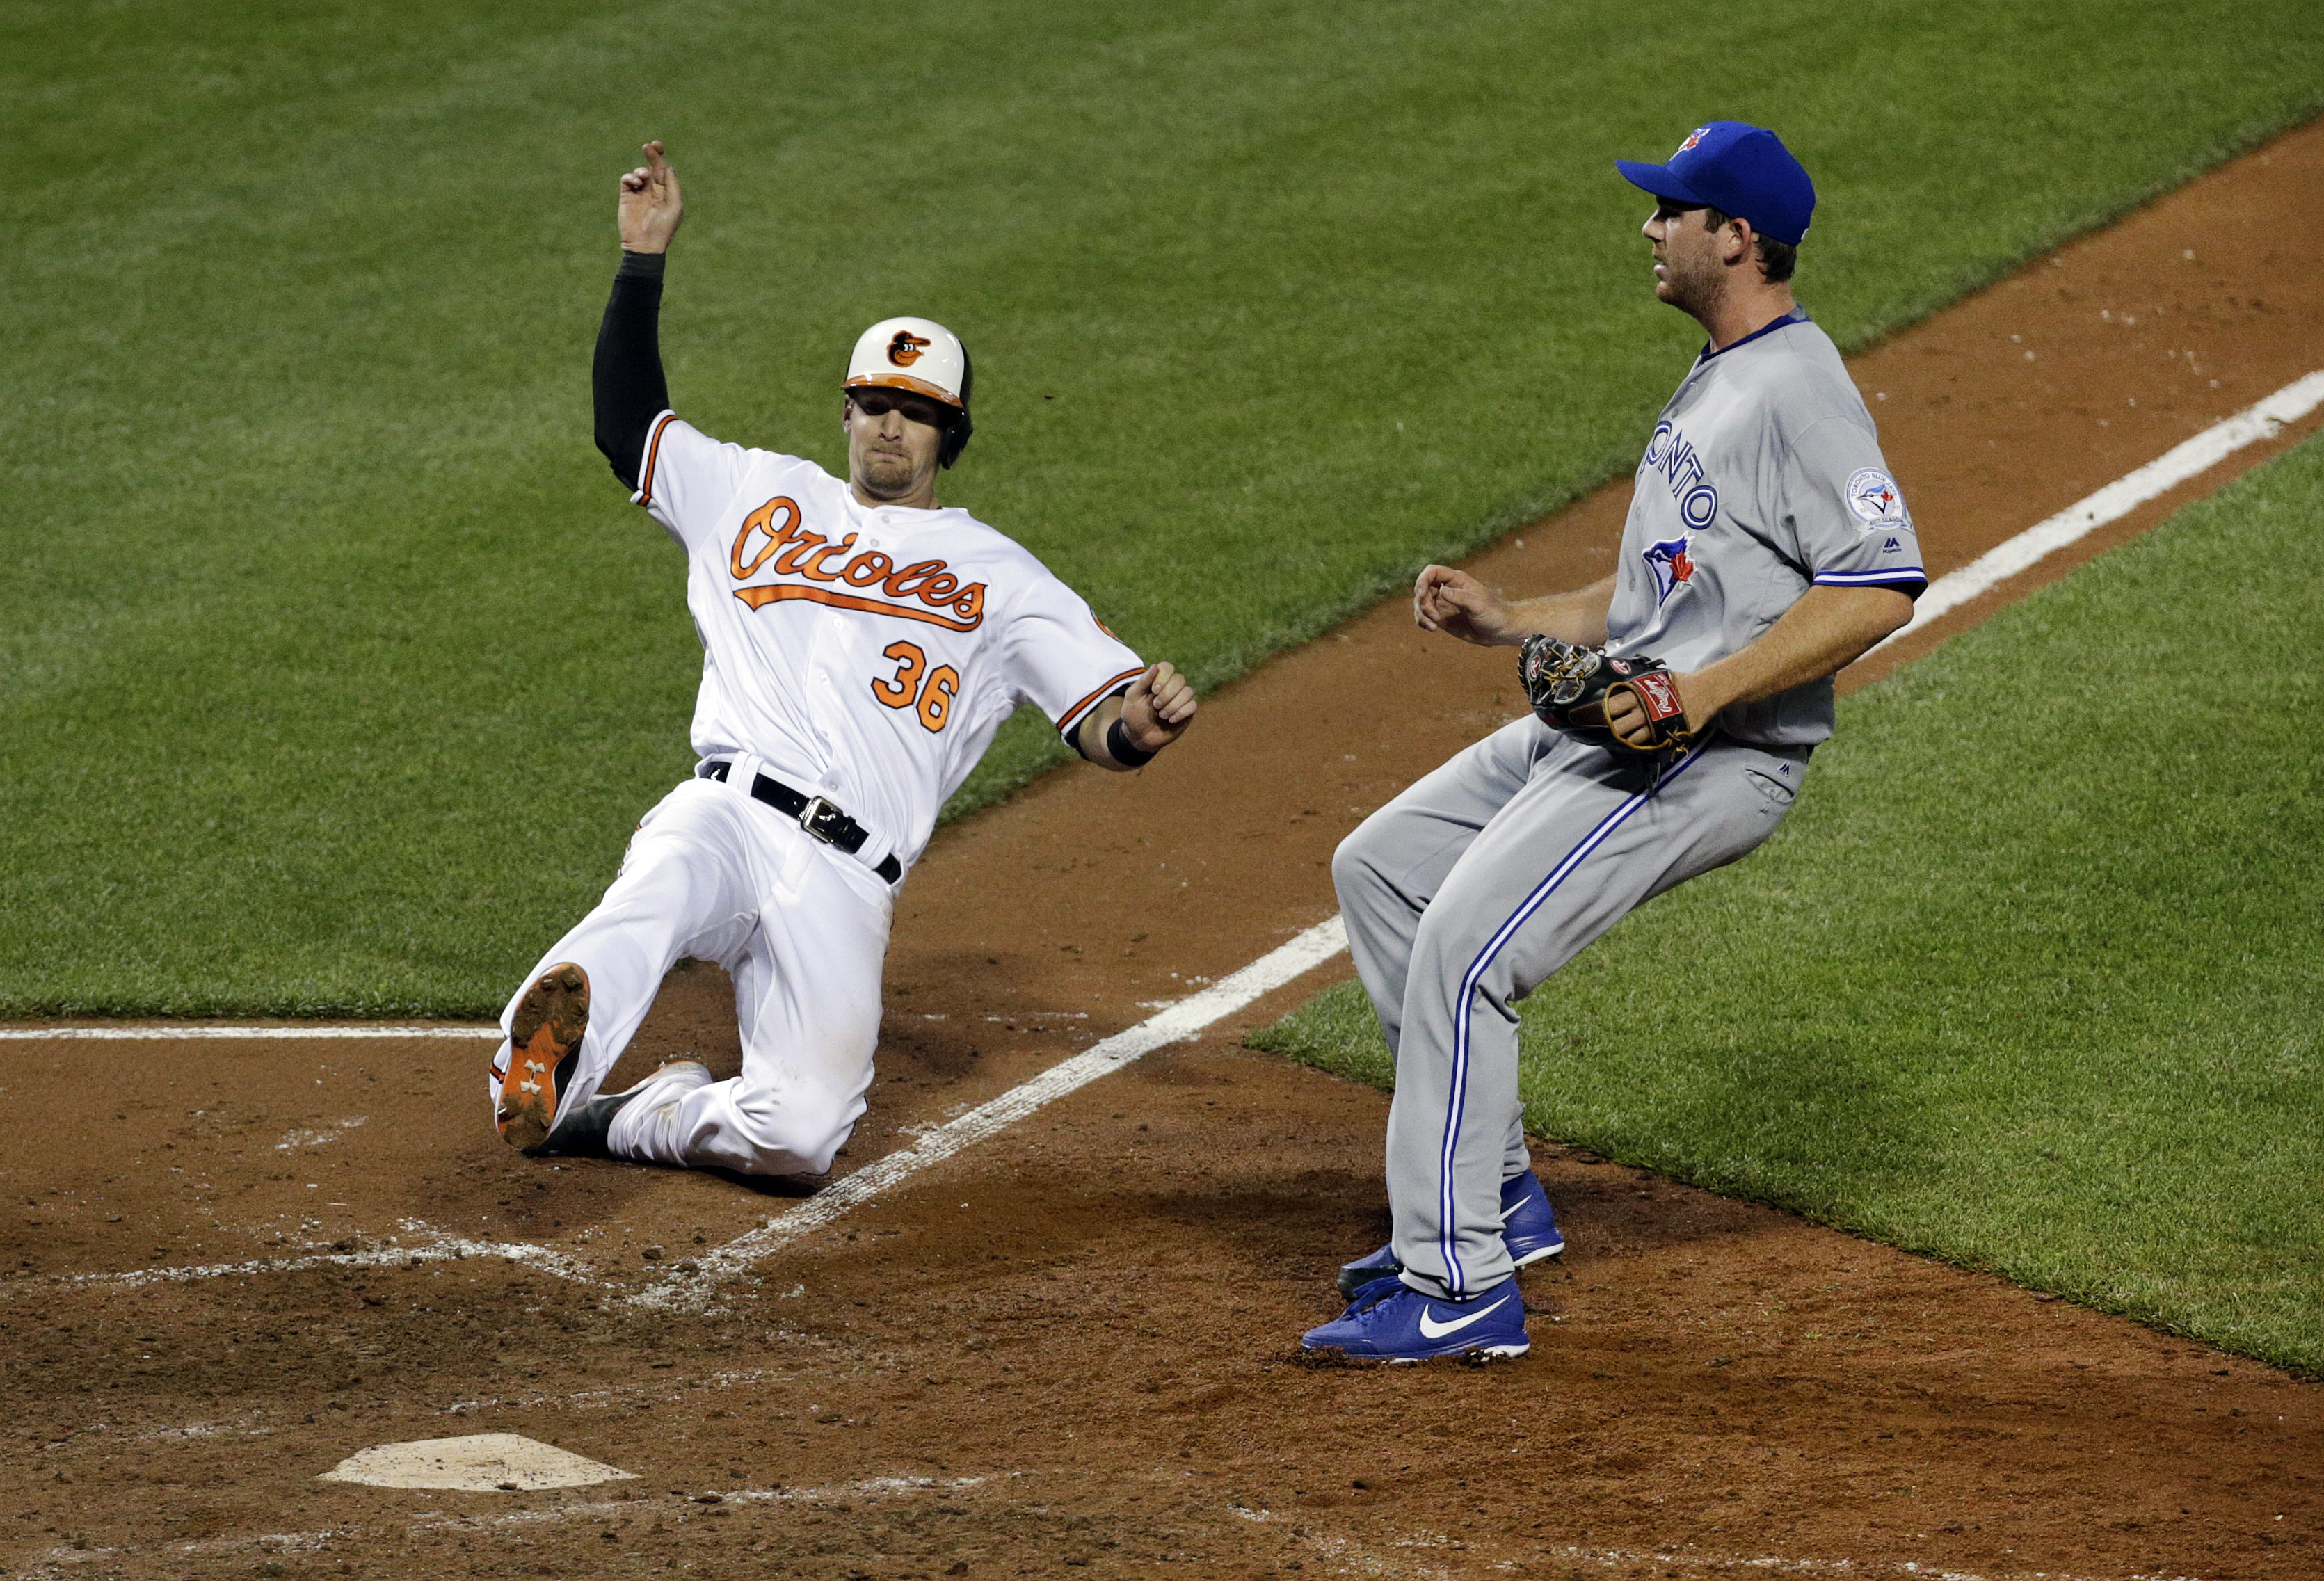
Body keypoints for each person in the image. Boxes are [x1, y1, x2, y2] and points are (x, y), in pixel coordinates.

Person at [1303, 122, 1925, 1362]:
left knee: (1465, 952)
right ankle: (1498, 1194)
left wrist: (1700, 696)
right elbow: (1661, 594)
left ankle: (1456, 1283)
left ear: (1734, 236)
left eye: (1670, 211)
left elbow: (1880, 584)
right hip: (1626, 725)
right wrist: (1506, 619)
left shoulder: (1798, 388)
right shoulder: (1719, 370)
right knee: (1379, 868)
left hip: (1704, 750)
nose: (1647, 227)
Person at [489, 141, 1198, 1175]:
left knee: (799, 1138)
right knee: (656, 887)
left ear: (950, 435)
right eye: (874, 404)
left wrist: (1139, 725)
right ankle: (539, 1063)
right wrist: (642, 260)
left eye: (916, 414)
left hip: (846, 876)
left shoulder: (998, 572)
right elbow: (626, 425)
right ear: (846, 409)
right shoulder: (754, 489)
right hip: (726, 807)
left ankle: (618, 1116)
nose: (889, 427)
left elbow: (1100, 724)